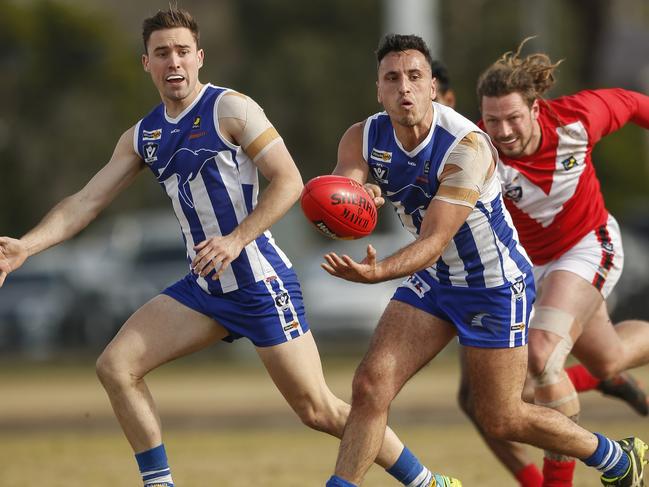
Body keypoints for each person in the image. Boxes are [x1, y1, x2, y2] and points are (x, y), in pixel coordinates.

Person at [0, 9, 454, 487]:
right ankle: (159, 484)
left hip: (259, 280)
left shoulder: (231, 109)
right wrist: (26, 247)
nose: (173, 61)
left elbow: (288, 182)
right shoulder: (144, 135)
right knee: (116, 367)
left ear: (199, 57)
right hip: (205, 286)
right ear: (147, 64)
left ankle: (428, 482)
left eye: (181, 51)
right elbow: (86, 201)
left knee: (318, 409)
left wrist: (237, 239)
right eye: (161, 53)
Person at [321, 33, 647, 487]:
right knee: (369, 387)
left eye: (414, 76)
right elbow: (344, 189)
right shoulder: (363, 134)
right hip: (435, 281)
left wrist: (378, 271)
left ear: (433, 86)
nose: (404, 88)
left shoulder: (468, 145)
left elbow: (435, 239)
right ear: (378, 88)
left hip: (492, 285)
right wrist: (354, 201)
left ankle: (612, 455)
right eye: (392, 78)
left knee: (503, 417)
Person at [428, 54, 649, 487]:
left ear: (535, 108)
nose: (504, 131)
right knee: (607, 359)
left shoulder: (579, 118)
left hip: (587, 247)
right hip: (524, 269)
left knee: (542, 357)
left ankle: (571, 478)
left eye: (512, 117)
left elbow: (636, 104)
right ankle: (600, 381)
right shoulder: (477, 149)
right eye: (492, 120)